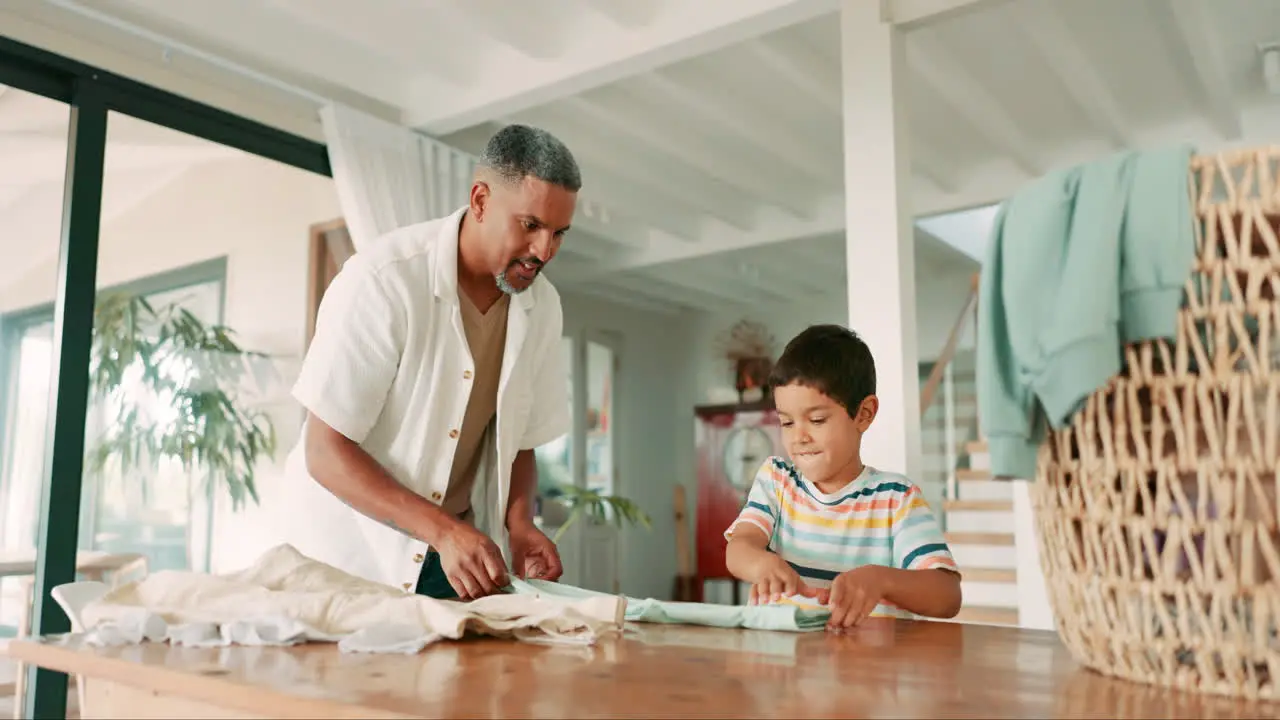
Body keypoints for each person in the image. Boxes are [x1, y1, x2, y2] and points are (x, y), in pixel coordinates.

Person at [279, 124, 579, 602]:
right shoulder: (383, 280)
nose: (545, 251)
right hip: (348, 556)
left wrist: (520, 526)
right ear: (480, 200)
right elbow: (325, 451)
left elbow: (521, 440)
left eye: (559, 233)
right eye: (530, 226)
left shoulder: (543, 307)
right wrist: (441, 531)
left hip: (451, 555)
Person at [723, 324, 963, 630]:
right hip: (781, 670)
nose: (799, 437)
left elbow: (947, 596)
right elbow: (739, 547)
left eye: (817, 419)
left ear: (863, 414)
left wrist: (882, 579)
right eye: (786, 422)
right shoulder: (776, 480)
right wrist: (761, 563)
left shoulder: (896, 498)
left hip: (865, 672)